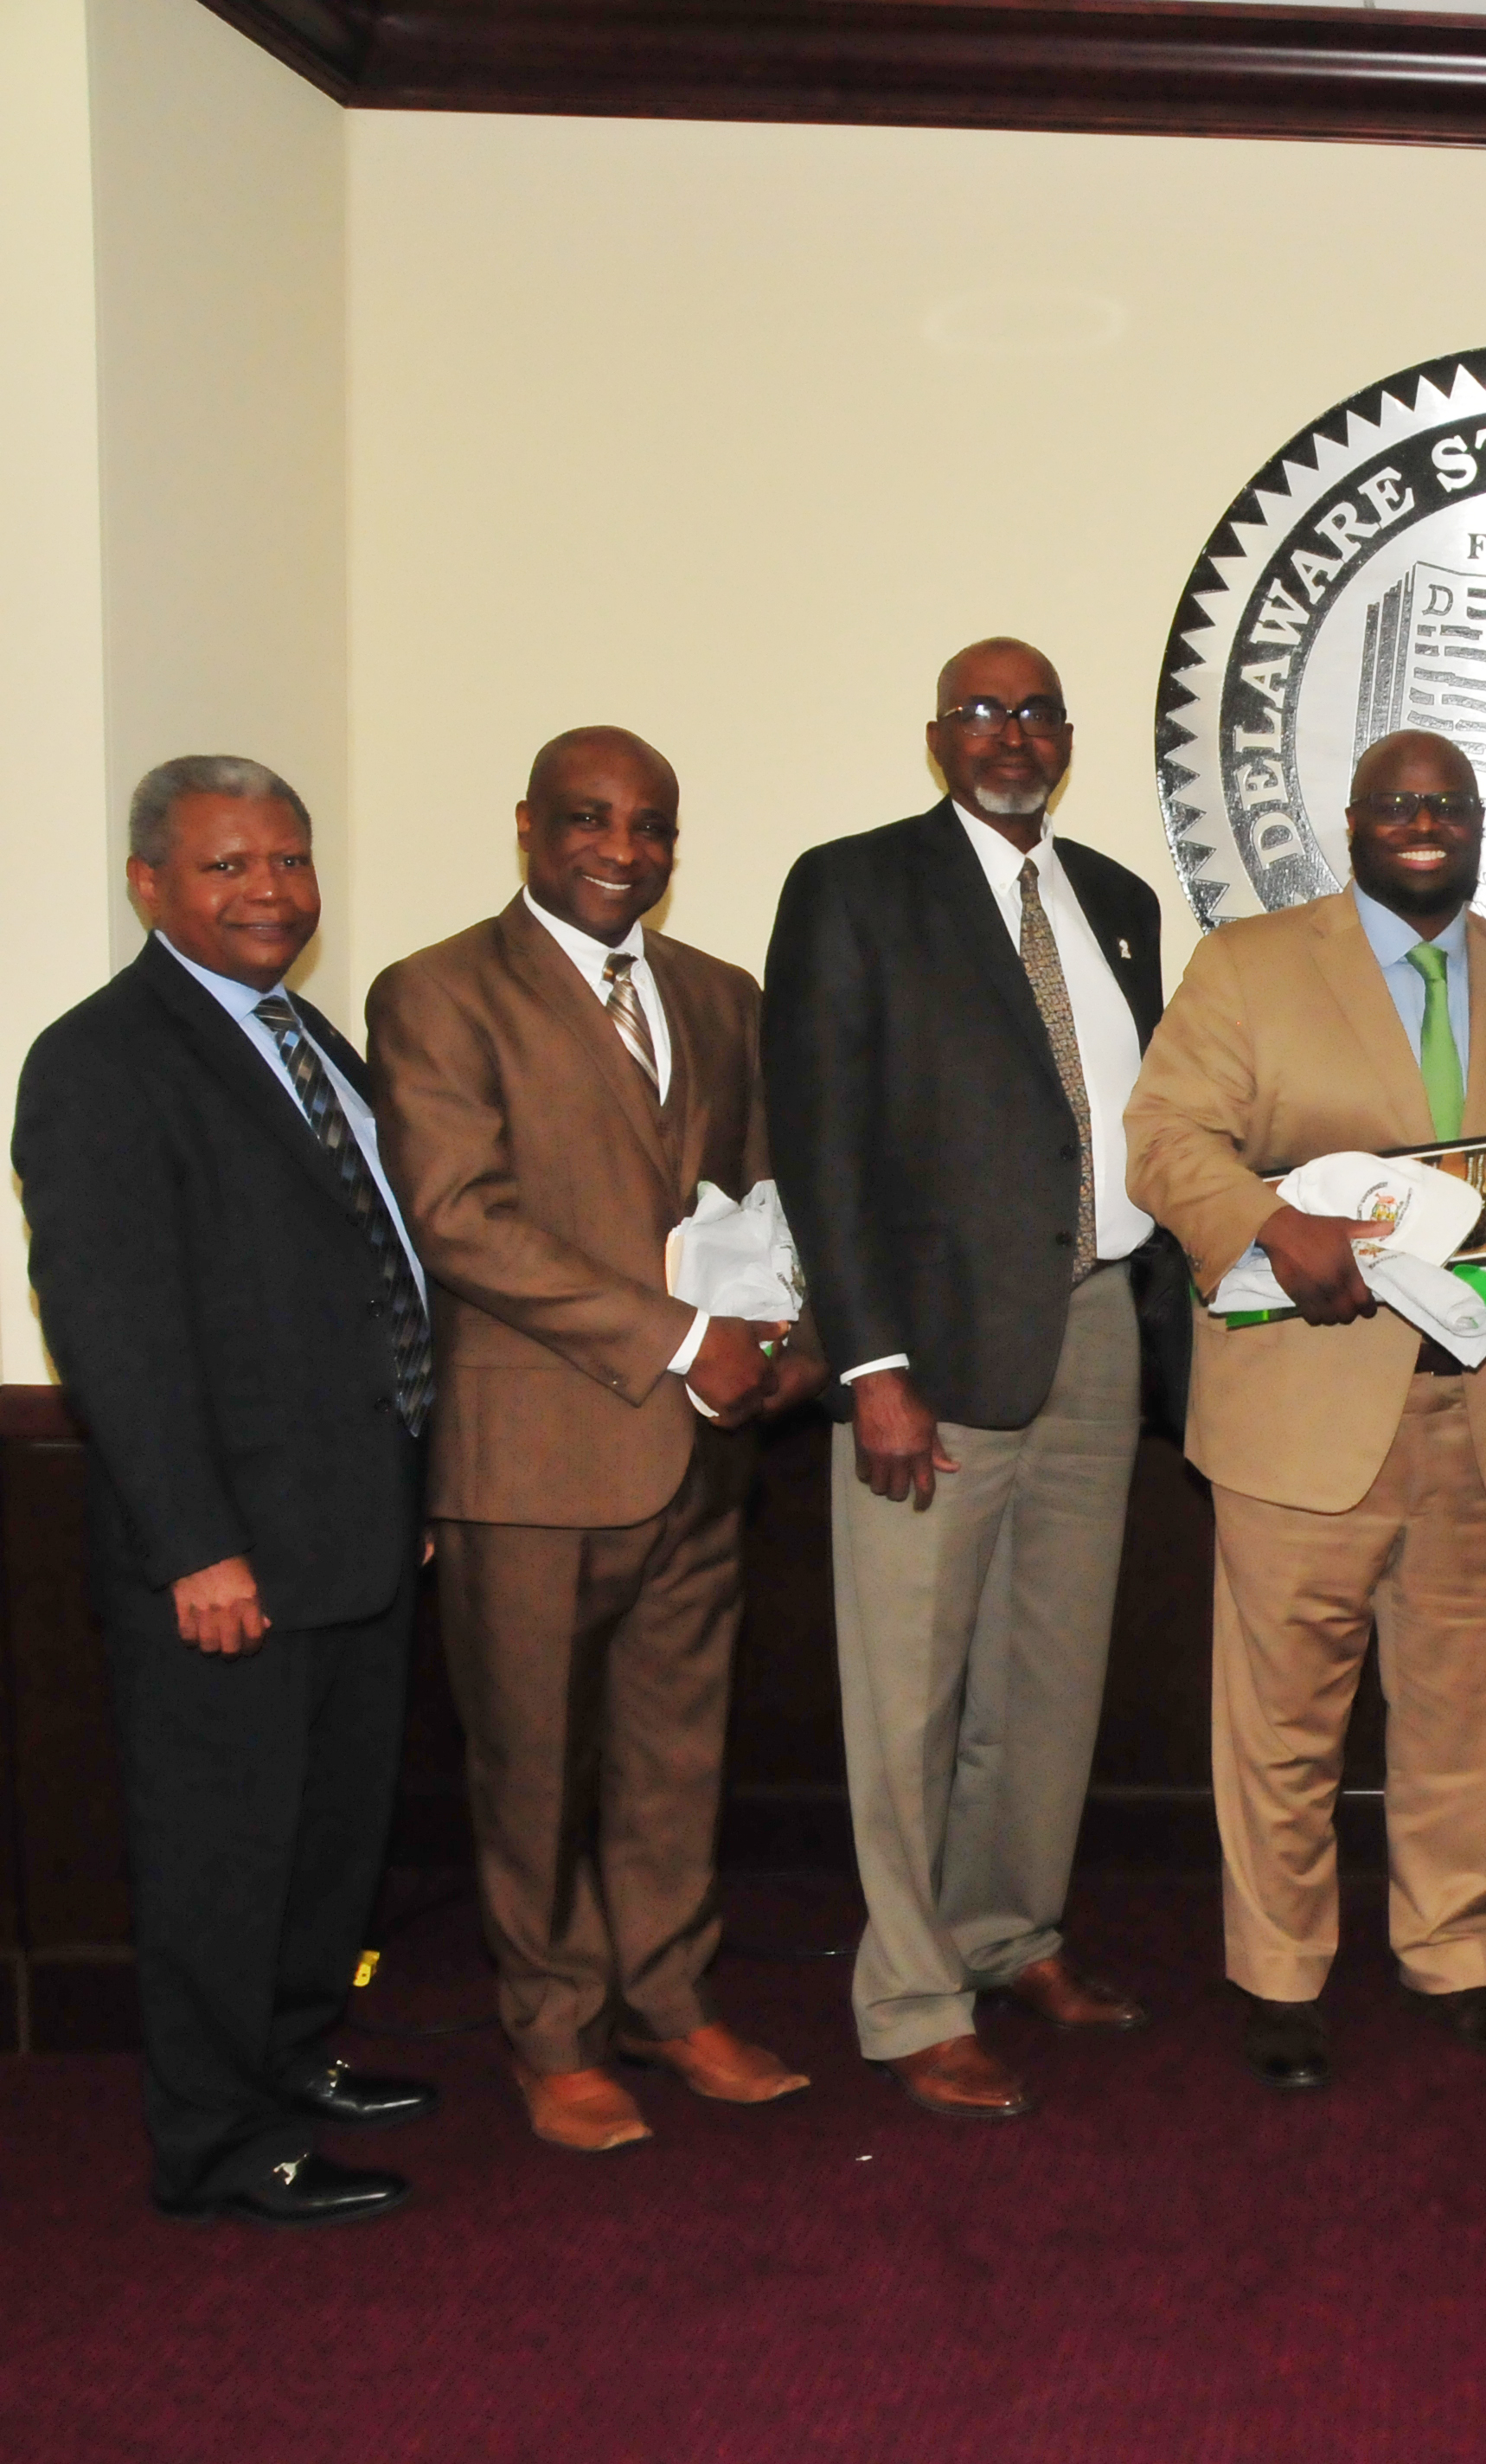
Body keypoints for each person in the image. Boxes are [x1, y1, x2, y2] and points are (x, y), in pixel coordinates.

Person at [364, 727, 826, 2154]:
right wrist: (684, 1339)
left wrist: (788, 1326)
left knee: (677, 1752)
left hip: (706, 1450)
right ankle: (554, 2034)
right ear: (527, 828)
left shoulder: (720, 994)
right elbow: (458, 1218)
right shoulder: (437, 993)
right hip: (535, 1457)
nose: (622, 852)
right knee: (531, 1763)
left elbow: (754, 1190)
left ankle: (670, 2001)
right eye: (589, 821)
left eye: (651, 828)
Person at [763, 637, 1186, 2121]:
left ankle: (1010, 1935)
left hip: (1096, 1331)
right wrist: (872, 1362)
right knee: (909, 1697)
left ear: (1066, 736)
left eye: (1036, 713)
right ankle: (910, 1998)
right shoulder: (855, 886)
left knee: (1048, 1679)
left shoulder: (1120, 903)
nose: (1011, 735)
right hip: (925, 1357)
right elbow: (820, 1138)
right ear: (937, 735)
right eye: (982, 712)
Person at [14, 756, 438, 2226]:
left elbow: (367, 1274)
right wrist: (197, 1544)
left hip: (358, 1526)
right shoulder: (99, 1061)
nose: (270, 890)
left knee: (328, 1842)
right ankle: (216, 2143)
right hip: (227, 1558)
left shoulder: (307, 1035)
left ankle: (294, 2063)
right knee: (221, 1860)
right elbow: (114, 1330)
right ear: (150, 885)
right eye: (227, 866)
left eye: (289, 861)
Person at [1124, 730, 1486, 2092]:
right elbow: (1163, 1139)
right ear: (1352, 825)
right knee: (1281, 1723)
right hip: (1302, 1414)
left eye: (1447, 804)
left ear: (1481, 824)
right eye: (1396, 805)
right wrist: (1267, 1218)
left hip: (1484, 1410)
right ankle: (1279, 1975)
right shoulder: (1251, 965)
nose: (1422, 824)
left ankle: (1454, 1954)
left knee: (1464, 1712)